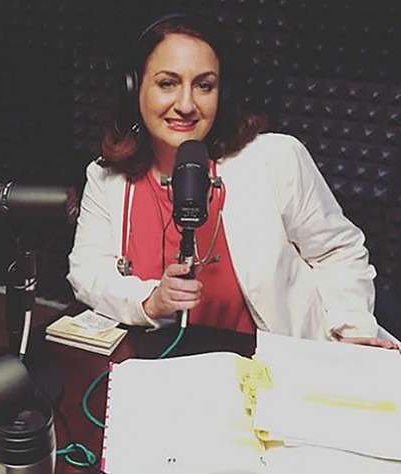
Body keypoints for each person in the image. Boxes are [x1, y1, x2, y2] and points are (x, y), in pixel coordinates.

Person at [67, 13, 395, 347]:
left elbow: (337, 252)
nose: (185, 104)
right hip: (159, 363)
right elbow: (87, 272)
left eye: (203, 85)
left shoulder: (275, 159)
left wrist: (352, 331)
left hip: (273, 367)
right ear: (135, 89)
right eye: (168, 83)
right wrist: (150, 300)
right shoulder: (106, 176)